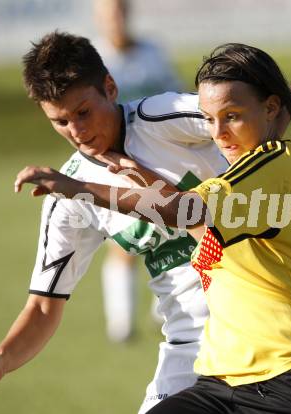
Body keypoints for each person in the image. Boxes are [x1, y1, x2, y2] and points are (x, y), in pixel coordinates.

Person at [16, 42, 291, 413]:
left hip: (289, 363)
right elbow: (191, 223)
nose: (216, 133)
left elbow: (185, 211)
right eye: (209, 119)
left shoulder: (268, 165)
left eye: (230, 117)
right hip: (220, 367)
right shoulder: (232, 189)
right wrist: (134, 169)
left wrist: (81, 189)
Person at [93, 0, 183, 342]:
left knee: (176, 230)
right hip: (117, 162)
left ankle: (166, 307)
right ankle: (122, 325)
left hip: (162, 157)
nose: (115, 20)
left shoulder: (152, 52)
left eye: (119, 12)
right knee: (126, 239)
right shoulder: (94, 59)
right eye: (107, 14)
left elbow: (177, 96)